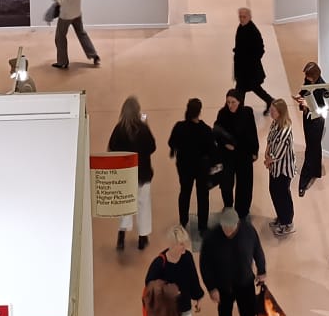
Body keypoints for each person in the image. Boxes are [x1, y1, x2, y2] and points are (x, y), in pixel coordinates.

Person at [199, 209, 268, 316]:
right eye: (224, 227)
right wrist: (211, 288)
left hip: (245, 282)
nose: (227, 231)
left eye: (231, 228)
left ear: (237, 223)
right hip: (223, 285)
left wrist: (262, 270)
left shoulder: (248, 231)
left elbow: (257, 250)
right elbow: (205, 264)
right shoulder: (211, 237)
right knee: (224, 312)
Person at [110, 95, 158, 251]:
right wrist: (147, 125)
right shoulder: (143, 129)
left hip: (125, 175)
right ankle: (142, 237)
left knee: (125, 206)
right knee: (143, 204)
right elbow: (152, 147)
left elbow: (112, 149)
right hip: (143, 174)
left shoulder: (119, 129)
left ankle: (121, 236)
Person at [169, 97, 219, 233]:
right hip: (201, 168)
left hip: (184, 166)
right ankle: (202, 226)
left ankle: (183, 222)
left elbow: (172, 143)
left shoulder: (179, 127)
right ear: (199, 112)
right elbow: (213, 151)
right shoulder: (205, 130)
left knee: (185, 193)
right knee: (203, 196)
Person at [213, 89, 260, 218]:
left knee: (244, 184)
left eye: (233, 102)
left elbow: (252, 132)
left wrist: (255, 151)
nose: (230, 105)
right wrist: (225, 144)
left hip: (243, 153)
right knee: (226, 184)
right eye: (228, 102)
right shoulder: (222, 114)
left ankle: (242, 210)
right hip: (227, 155)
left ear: (240, 101)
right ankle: (228, 206)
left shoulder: (247, 112)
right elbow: (216, 133)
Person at [51, 0, 101, 69]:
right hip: (77, 12)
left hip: (66, 15)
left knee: (60, 37)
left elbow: (62, 2)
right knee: (82, 34)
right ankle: (94, 55)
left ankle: (62, 62)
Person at [263, 98, 297, 237]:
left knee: (283, 195)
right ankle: (281, 217)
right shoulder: (275, 123)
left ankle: (287, 222)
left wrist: (268, 160)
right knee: (274, 192)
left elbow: (278, 154)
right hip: (274, 168)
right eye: (271, 110)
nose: (271, 113)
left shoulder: (285, 131)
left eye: (273, 111)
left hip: (283, 170)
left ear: (280, 112)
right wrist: (266, 154)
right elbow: (270, 140)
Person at [297, 62, 329, 198]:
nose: (306, 78)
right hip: (307, 117)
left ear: (315, 75)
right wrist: (300, 97)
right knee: (314, 146)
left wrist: (309, 105)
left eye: (308, 76)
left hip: (317, 121)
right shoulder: (308, 80)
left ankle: (303, 182)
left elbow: (326, 108)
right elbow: (304, 91)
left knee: (311, 148)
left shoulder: (323, 88)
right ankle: (316, 170)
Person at [231, 8, 271, 112]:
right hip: (243, 68)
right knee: (251, 88)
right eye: (240, 16)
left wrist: (250, 61)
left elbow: (260, 49)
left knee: (242, 89)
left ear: (249, 17)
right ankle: (270, 101)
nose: (241, 19)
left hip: (249, 70)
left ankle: (239, 111)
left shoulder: (253, 31)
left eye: (244, 17)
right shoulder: (241, 27)